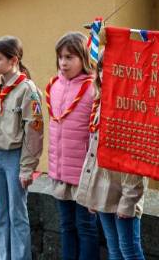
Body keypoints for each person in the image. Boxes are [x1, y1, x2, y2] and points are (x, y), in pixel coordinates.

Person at [0, 36, 44, 260]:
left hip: (15, 157)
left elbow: (34, 132)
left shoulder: (28, 90)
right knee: (0, 216)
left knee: (17, 215)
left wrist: (27, 167)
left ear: (13, 60)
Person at [75, 50, 147, 260]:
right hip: (102, 188)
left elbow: (136, 159)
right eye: (101, 68)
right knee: (113, 249)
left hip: (124, 191)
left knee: (129, 250)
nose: (104, 73)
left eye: (112, 68)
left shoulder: (132, 106)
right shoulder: (100, 101)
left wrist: (129, 200)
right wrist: (91, 192)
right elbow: (93, 152)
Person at [46, 32, 99, 260]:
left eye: (70, 57)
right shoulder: (54, 86)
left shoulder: (93, 88)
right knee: (66, 225)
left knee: (86, 227)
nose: (63, 63)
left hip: (84, 176)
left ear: (83, 58)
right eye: (60, 57)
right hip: (60, 172)